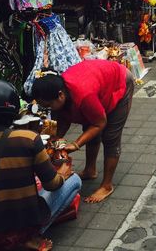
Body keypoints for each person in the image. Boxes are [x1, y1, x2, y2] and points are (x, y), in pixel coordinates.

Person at [0, 80, 81, 251]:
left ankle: (9, 239)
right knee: (75, 180)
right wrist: (62, 174)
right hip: (27, 225)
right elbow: (52, 184)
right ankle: (29, 237)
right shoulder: (28, 138)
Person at [31, 59, 135, 203]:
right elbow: (62, 120)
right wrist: (52, 142)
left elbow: (100, 123)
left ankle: (107, 185)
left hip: (120, 81)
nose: (49, 109)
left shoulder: (84, 95)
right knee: (89, 126)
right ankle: (90, 170)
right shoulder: (61, 94)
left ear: (61, 95)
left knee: (110, 136)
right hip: (96, 82)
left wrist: (76, 144)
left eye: (49, 105)